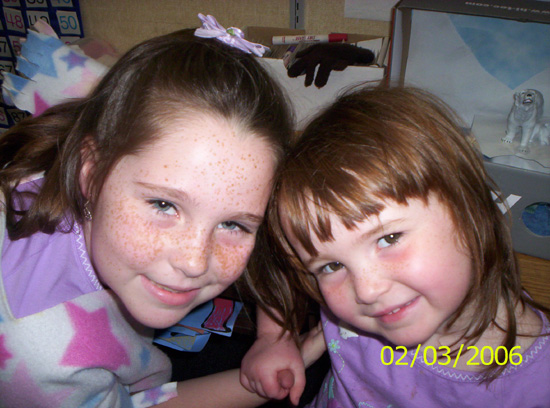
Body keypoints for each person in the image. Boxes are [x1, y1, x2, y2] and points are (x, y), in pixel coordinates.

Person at [0, 19, 324, 407]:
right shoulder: (41, 354)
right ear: (91, 171)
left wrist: (274, 335)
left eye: (232, 223)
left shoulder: (119, 132)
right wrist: (260, 381)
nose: (194, 262)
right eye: (164, 205)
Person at [241, 86, 550, 407]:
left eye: (388, 239)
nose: (367, 291)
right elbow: (277, 265)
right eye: (332, 266)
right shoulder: (372, 302)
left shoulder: (540, 384)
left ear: (470, 210)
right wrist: (273, 337)